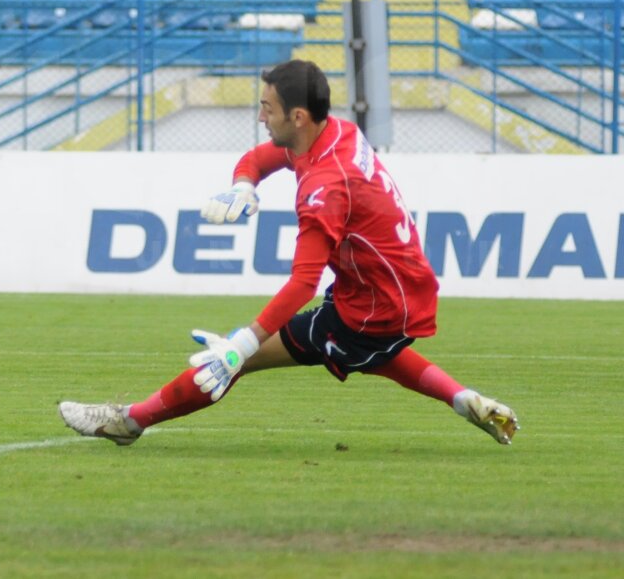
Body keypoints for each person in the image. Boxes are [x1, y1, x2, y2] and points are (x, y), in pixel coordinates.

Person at [59, 59, 520, 448]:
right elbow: (259, 159)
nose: (261, 115)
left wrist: (242, 344)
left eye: (267, 108)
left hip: (372, 306)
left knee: (233, 362)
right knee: (374, 354)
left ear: (297, 116)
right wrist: (244, 185)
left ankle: (128, 422)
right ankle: (462, 399)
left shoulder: (325, 187)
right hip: (393, 290)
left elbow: (303, 282)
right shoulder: (334, 133)